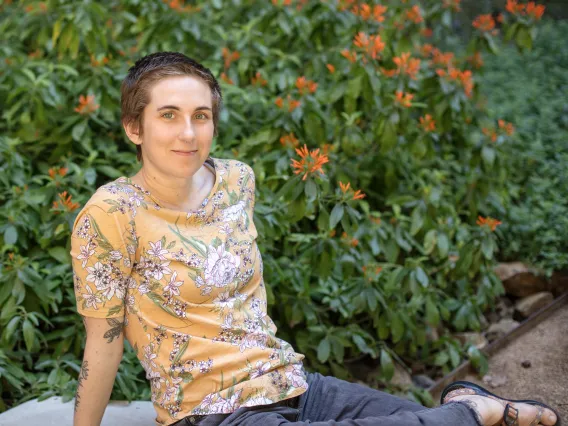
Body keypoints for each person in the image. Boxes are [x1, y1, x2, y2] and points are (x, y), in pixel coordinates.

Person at [70, 52, 560, 426]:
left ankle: (460, 406)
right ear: (134, 127)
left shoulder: (237, 180)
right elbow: (104, 342)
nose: (190, 133)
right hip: (210, 412)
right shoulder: (111, 216)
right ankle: (467, 412)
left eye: (202, 115)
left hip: (291, 381)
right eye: (169, 115)